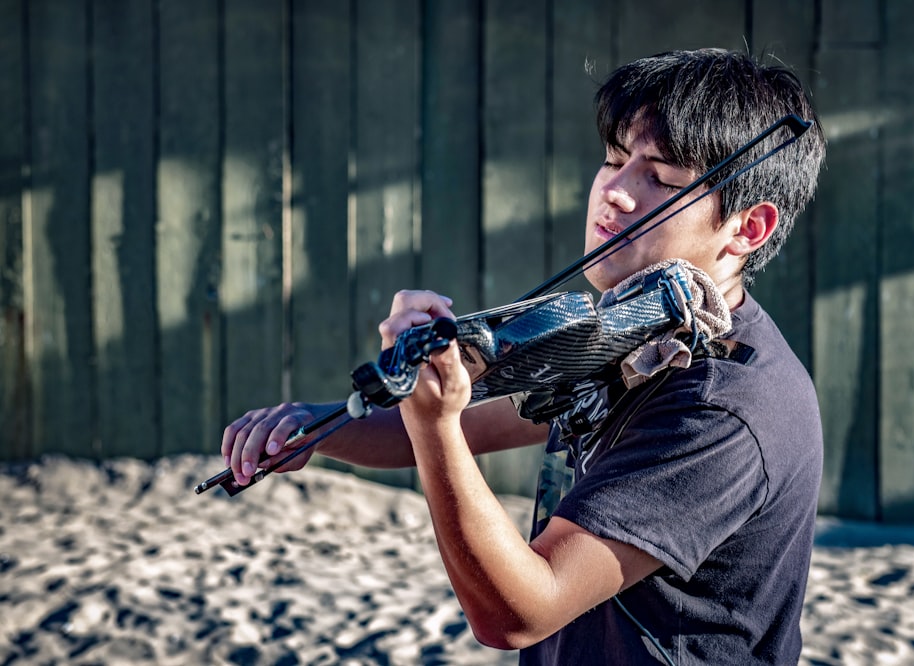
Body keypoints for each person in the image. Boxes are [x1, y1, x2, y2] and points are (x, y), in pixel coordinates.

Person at [221, 48, 826, 665]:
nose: (613, 193)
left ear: (747, 229)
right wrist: (318, 427)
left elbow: (516, 614)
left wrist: (434, 423)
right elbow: (437, 431)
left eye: (663, 181)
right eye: (614, 161)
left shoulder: (723, 405)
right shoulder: (631, 330)